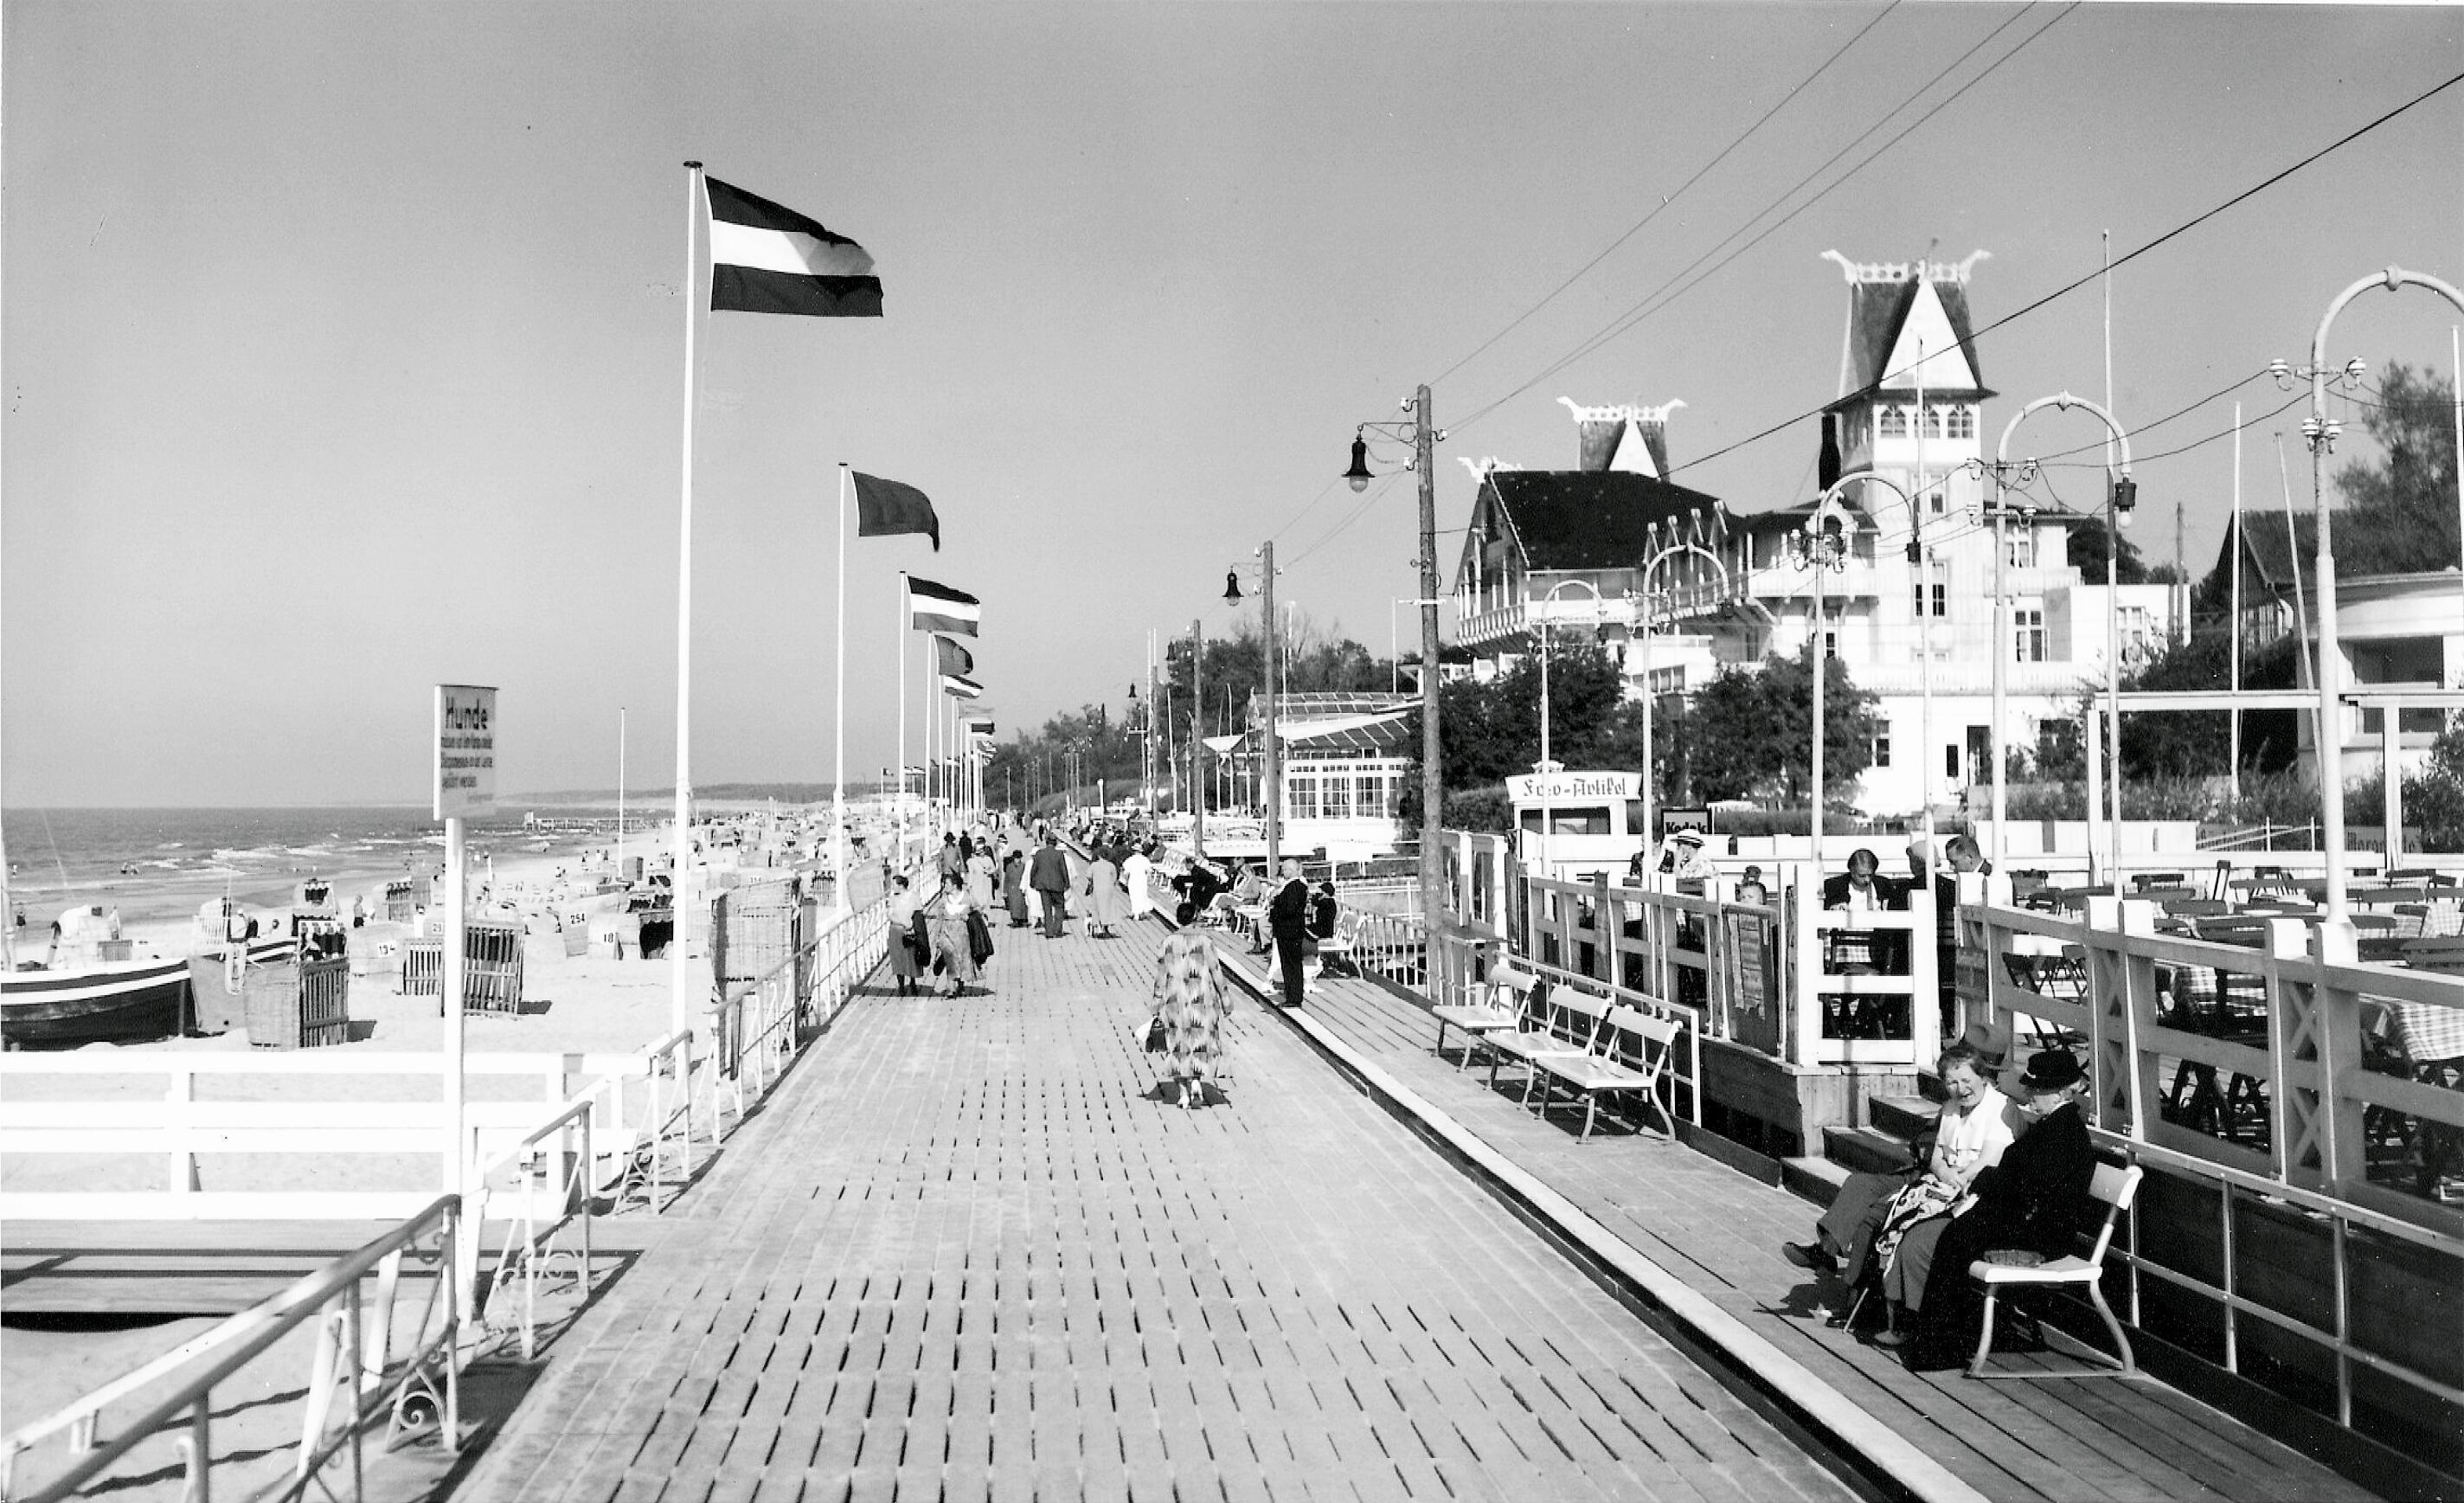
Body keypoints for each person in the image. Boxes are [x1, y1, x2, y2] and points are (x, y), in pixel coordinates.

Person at [1887, 1049, 2096, 1369]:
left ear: (2055, 1093)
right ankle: (1938, 1342)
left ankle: (1940, 1347)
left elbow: (2031, 1185)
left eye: (2035, 1090)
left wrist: (1986, 1183)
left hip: (2042, 1234)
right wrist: (1989, 1183)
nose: (2028, 1094)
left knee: (1956, 1239)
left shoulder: (2063, 1131)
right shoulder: (2054, 1123)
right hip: (2029, 1217)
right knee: (1956, 1235)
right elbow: (2021, 1175)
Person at [1784, 1043, 2015, 1333]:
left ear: (1983, 1076)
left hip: (1968, 1191)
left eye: (1966, 1081)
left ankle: (1862, 1304)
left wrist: (1954, 1177)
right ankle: (1839, 1272)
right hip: (1937, 1180)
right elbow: (1936, 1156)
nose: (1960, 1089)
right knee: (1866, 1197)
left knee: (1880, 1214)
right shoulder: (1951, 1108)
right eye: (1952, 1083)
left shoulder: (2001, 1110)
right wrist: (1943, 1171)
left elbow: (1988, 1161)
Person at [1151, 928, 1235, 1108]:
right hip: (1202, 1000)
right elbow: (1216, 971)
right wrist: (1225, 998)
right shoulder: (1205, 941)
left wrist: (1157, 1000)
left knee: (1178, 1046)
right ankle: (1196, 1081)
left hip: (1176, 1001)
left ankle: (1183, 1094)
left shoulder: (1168, 942)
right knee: (1198, 1044)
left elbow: (1161, 974)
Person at [1267, 858, 1312, 1007]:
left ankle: (1294, 997)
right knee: (1288, 964)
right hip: (1288, 930)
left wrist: (1275, 906)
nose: (1282, 872)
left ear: (1289, 871)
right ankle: (1291, 993)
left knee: (1291, 964)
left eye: (1284, 869)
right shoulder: (1292, 886)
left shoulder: (1295, 887)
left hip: (1290, 931)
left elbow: (1290, 909)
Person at [884, 875, 925, 997]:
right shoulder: (893, 898)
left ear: (901, 885)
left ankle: (913, 982)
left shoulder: (914, 897)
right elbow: (890, 914)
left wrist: (912, 926)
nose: (892, 888)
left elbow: (918, 914)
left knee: (911, 956)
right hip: (896, 929)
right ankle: (901, 984)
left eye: (894, 885)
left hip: (910, 930)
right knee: (897, 956)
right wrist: (902, 922)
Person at [1029, 833, 1072, 939]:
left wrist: (1032, 882)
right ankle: (1057, 929)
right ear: (1055, 843)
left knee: (1047, 909)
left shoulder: (1039, 854)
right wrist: (1067, 883)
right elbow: (1064, 870)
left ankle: (1049, 932)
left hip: (1043, 885)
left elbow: (1034, 869)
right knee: (1059, 907)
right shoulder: (1059, 854)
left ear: (1046, 842)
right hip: (1057, 885)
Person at [1084, 846, 1126, 939]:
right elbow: (1115, 877)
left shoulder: (1094, 865)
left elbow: (1088, 875)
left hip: (1097, 889)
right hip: (1108, 889)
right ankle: (1105, 928)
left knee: (1097, 908)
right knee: (1107, 909)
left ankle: (1098, 928)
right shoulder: (1111, 865)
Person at [1121, 842, 1156, 925]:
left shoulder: (1130, 860)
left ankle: (1136, 913)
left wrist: (1126, 881)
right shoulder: (1145, 859)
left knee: (1134, 896)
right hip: (1142, 879)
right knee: (1142, 895)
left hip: (1133, 880)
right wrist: (1149, 880)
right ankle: (1141, 912)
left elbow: (1126, 873)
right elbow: (1149, 871)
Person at [966, 841, 999, 915]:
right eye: (979, 851)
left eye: (982, 850)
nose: (981, 853)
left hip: (987, 881)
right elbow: (971, 874)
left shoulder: (988, 859)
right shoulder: (972, 861)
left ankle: (985, 917)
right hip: (977, 883)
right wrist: (969, 885)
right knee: (978, 900)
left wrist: (988, 872)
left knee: (986, 900)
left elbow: (993, 869)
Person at [1001, 849, 1030, 928]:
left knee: (1022, 904)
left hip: (1021, 887)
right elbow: (1006, 879)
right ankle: (1015, 919)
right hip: (1012, 887)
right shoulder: (1009, 866)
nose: (1017, 860)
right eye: (1016, 858)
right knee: (1013, 904)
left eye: (1019, 858)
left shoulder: (1023, 866)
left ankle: (1023, 919)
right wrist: (1004, 891)